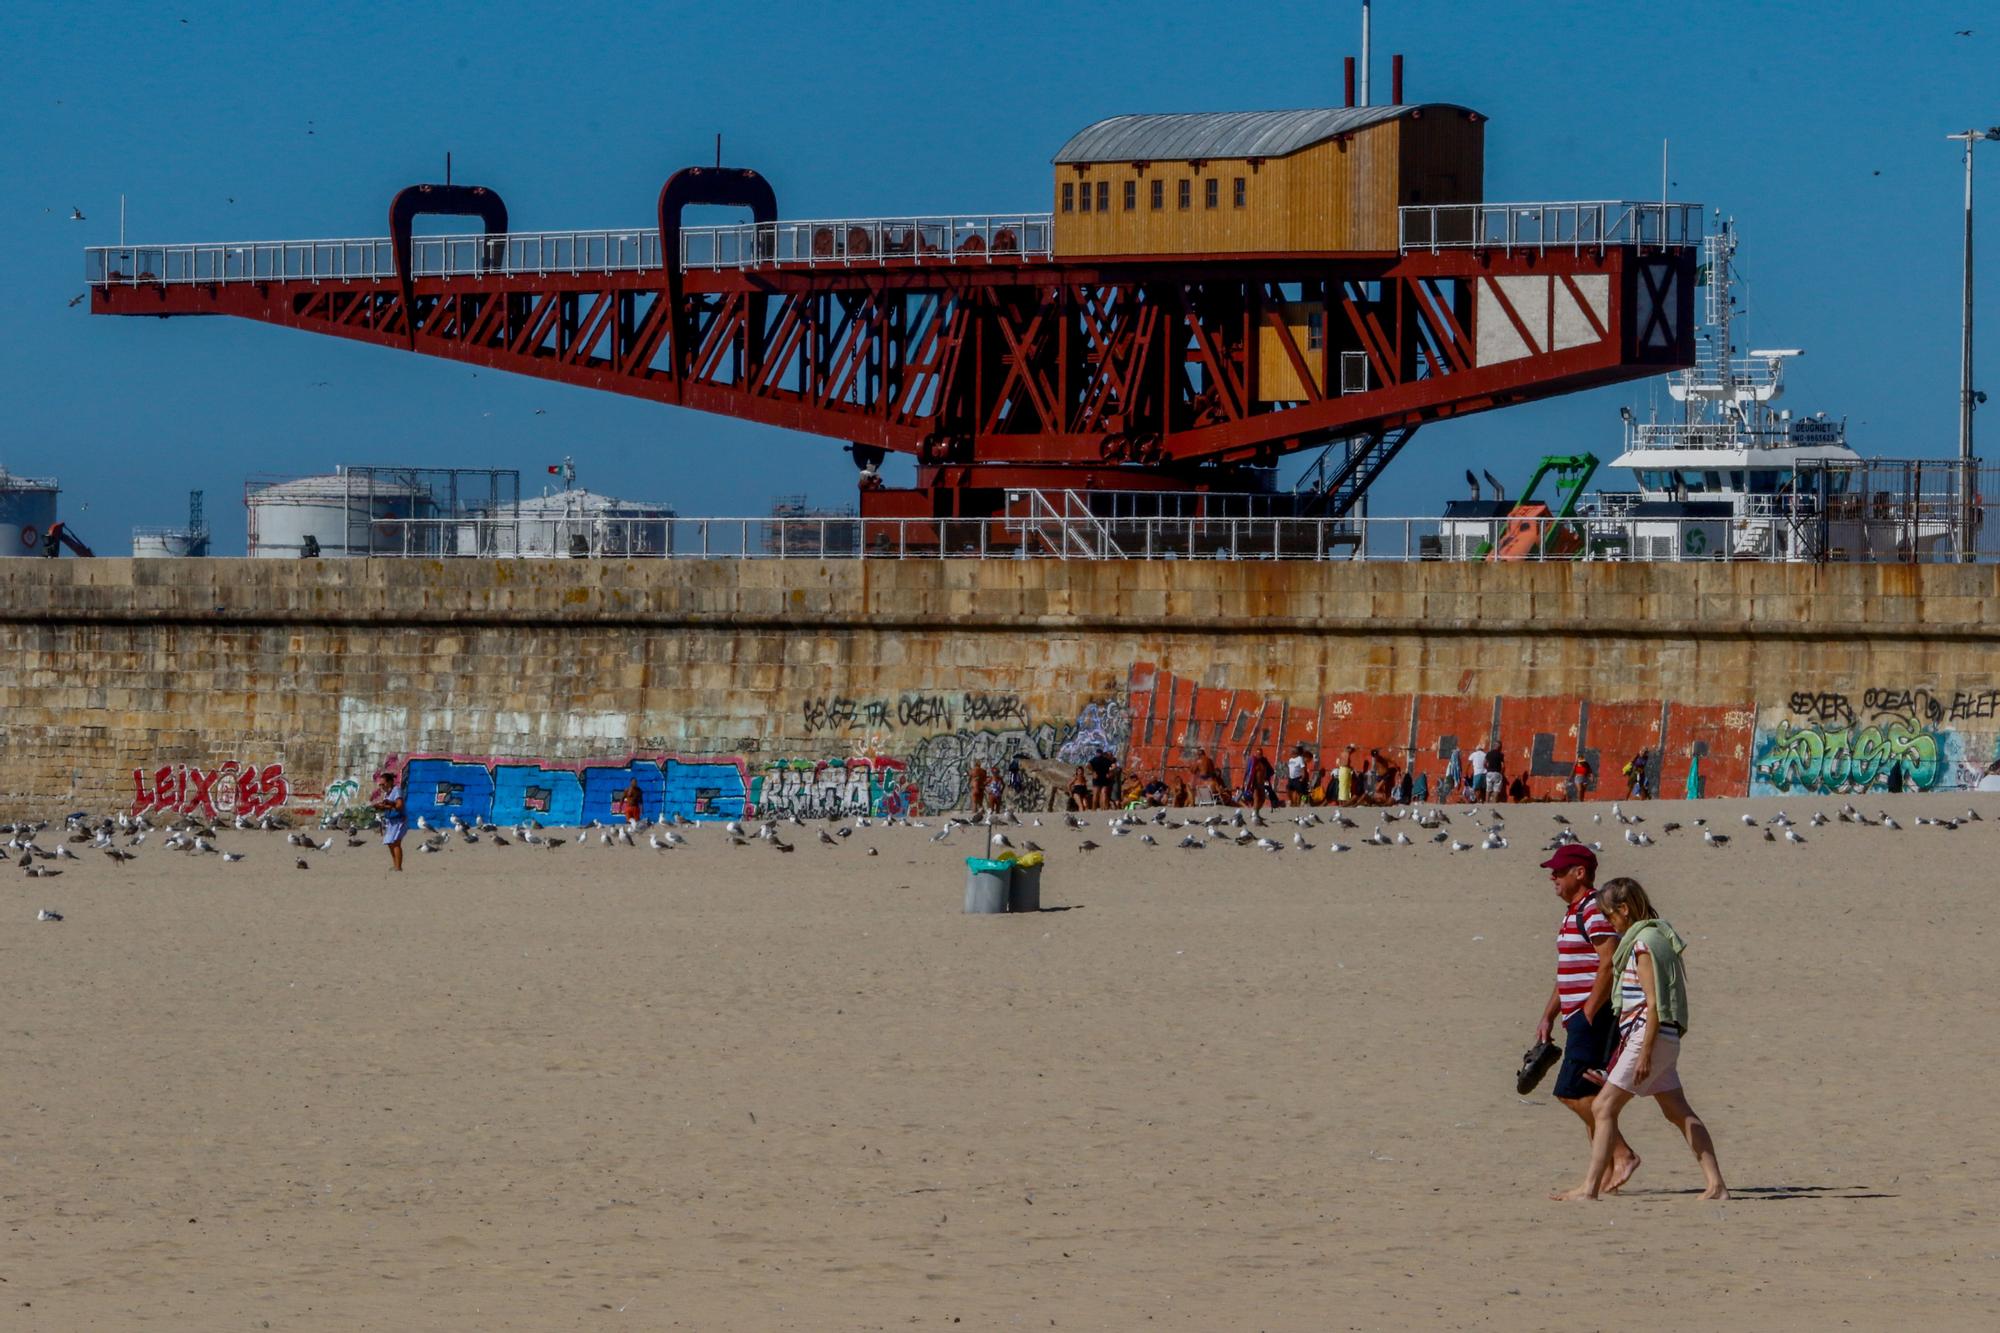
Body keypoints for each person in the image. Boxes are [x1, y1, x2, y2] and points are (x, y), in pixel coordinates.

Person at [1553, 877, 1728, 1202]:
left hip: (1649, 1035)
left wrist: (1645, 1053)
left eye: (1609, 915)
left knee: (1603, 1106)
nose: (1608, 923)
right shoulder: (1659, 935)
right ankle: (1716, 1185)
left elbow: (1653, 1003)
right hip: (1663, 1036)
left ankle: (1589, 1189)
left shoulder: (1643, 944)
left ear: (1624, 909)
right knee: (1678, 1111)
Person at [1534, 844, 1639, 1194]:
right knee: (1589, 1093)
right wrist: (1549, 1015)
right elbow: (1567, 973)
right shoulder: (1572, 912)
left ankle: (1622, 1155)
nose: (1553, 877)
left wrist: (1589, 1011)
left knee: (1571, 1092)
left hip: (1595, 1016)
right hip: (1578, 1015)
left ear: (1579, 873)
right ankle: (1607, 1168)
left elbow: (1608, 961)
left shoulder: (1593, 908)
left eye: (1560, 872)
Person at [373, 765, 408, 873]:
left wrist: (388, 805)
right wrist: (381, 807)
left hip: (400, 820)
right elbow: (389, 807)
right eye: (380, 784)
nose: (381, 786)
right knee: (390, 843)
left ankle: (398, 867)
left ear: (389, 782)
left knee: (396, 843)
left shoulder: (396, 790)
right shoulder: (387, 794)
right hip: (392, 821)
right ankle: (395, 866)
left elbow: (399, 806)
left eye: (383, 784)